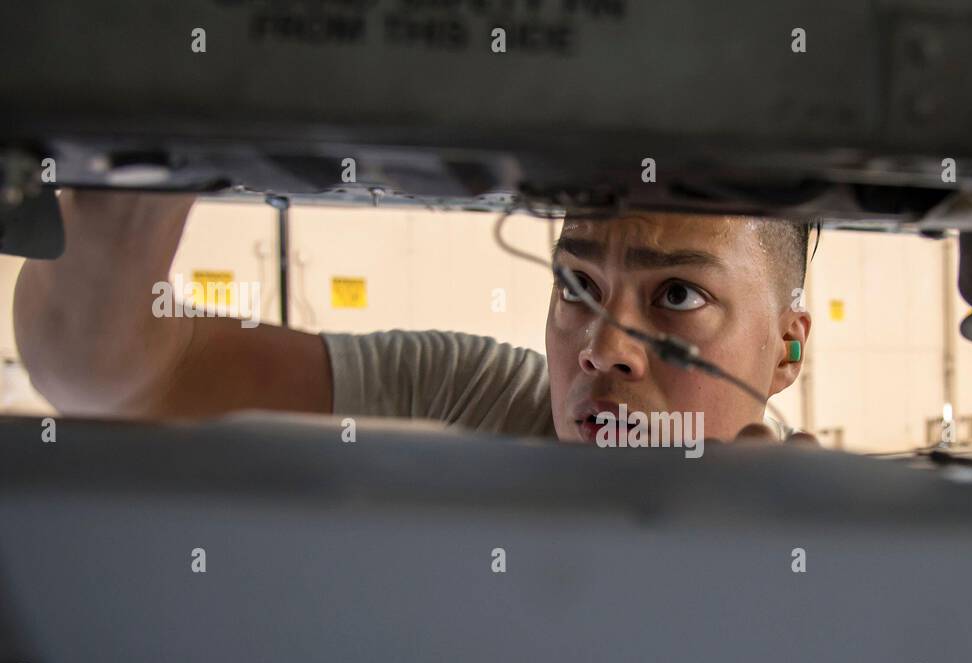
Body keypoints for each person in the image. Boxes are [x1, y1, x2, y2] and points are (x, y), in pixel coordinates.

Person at [14, 191, 813, 443]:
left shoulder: (819, 560)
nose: (604, 351)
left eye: (677, 295)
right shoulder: (477, 402)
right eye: (576, 286)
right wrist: (129, 204)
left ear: (786, 350)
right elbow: (121, 384)